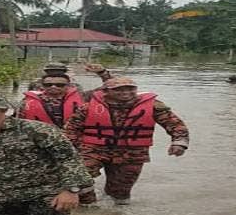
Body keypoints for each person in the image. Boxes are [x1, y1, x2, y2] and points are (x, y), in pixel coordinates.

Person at [64, 77, 189, 206]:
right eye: (119, 89)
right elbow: (71, 128)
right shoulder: (88, 107)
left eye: (130, 89)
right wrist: (75, 148)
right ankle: (88, 207)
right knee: (81, 177)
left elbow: (175, 124)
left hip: (133, 153)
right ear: (106, 91)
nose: (125, 92)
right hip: (93, 150)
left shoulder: (153, 106)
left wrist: (179, 142)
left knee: (120, 193)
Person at [26, 62, 113, 91]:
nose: (55, 74)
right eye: (52, 72)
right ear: (46, 72)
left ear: (64, 74)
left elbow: (110, 88)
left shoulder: (74, 87)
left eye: (58, 73)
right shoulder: (35, 85)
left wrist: (102, 73)